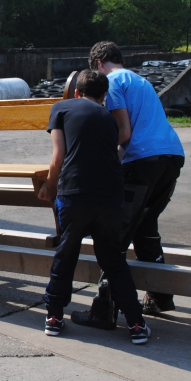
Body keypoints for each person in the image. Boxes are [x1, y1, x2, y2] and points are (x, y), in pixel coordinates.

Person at [73, 41, 185, 327]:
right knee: (145, 226)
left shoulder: (111, 82)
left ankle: (104, 310)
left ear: (98, 64)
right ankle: (160, 296)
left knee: (114, 232)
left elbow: (123, 132)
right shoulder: (139, 80)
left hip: (144, 161)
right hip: (171, 156)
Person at [39, 70, 150, 344]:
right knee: (113, 259)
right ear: (103, 96)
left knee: (66, 253)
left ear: (77, 92)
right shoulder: (110, 119)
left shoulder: (61, 108)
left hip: (75, 193)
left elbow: (59, 156)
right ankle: (136, 324)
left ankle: (54, 317)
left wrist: (49, 187)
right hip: (111, 197)